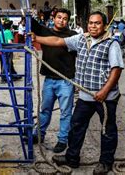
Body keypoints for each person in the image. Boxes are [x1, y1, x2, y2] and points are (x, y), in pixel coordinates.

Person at [32, 11, 124, 175]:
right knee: (76, 126)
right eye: (90, 22)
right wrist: (36, 39)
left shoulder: (112, 44)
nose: (93, 26)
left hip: (105, 98)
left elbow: (116, 70)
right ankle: (72, 158)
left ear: (104, 25)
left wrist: (104, 91)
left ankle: (105, 163)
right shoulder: (81, 39)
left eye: (97, 23)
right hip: (85, 96)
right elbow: (58, 40)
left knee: (107, 131)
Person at [29, 8, 77, 153]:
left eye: (65, 18)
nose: (61, 20)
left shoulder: (72, 35)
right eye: (59, 17)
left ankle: (62, 140)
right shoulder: (45, 31)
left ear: (68, 21)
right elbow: (30, 22)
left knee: (65, 113)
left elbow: (57, 42)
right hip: (49, 80)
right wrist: (26, 10)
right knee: (45, 110)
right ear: (53, 18)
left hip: (66, 81)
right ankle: (39, 135)